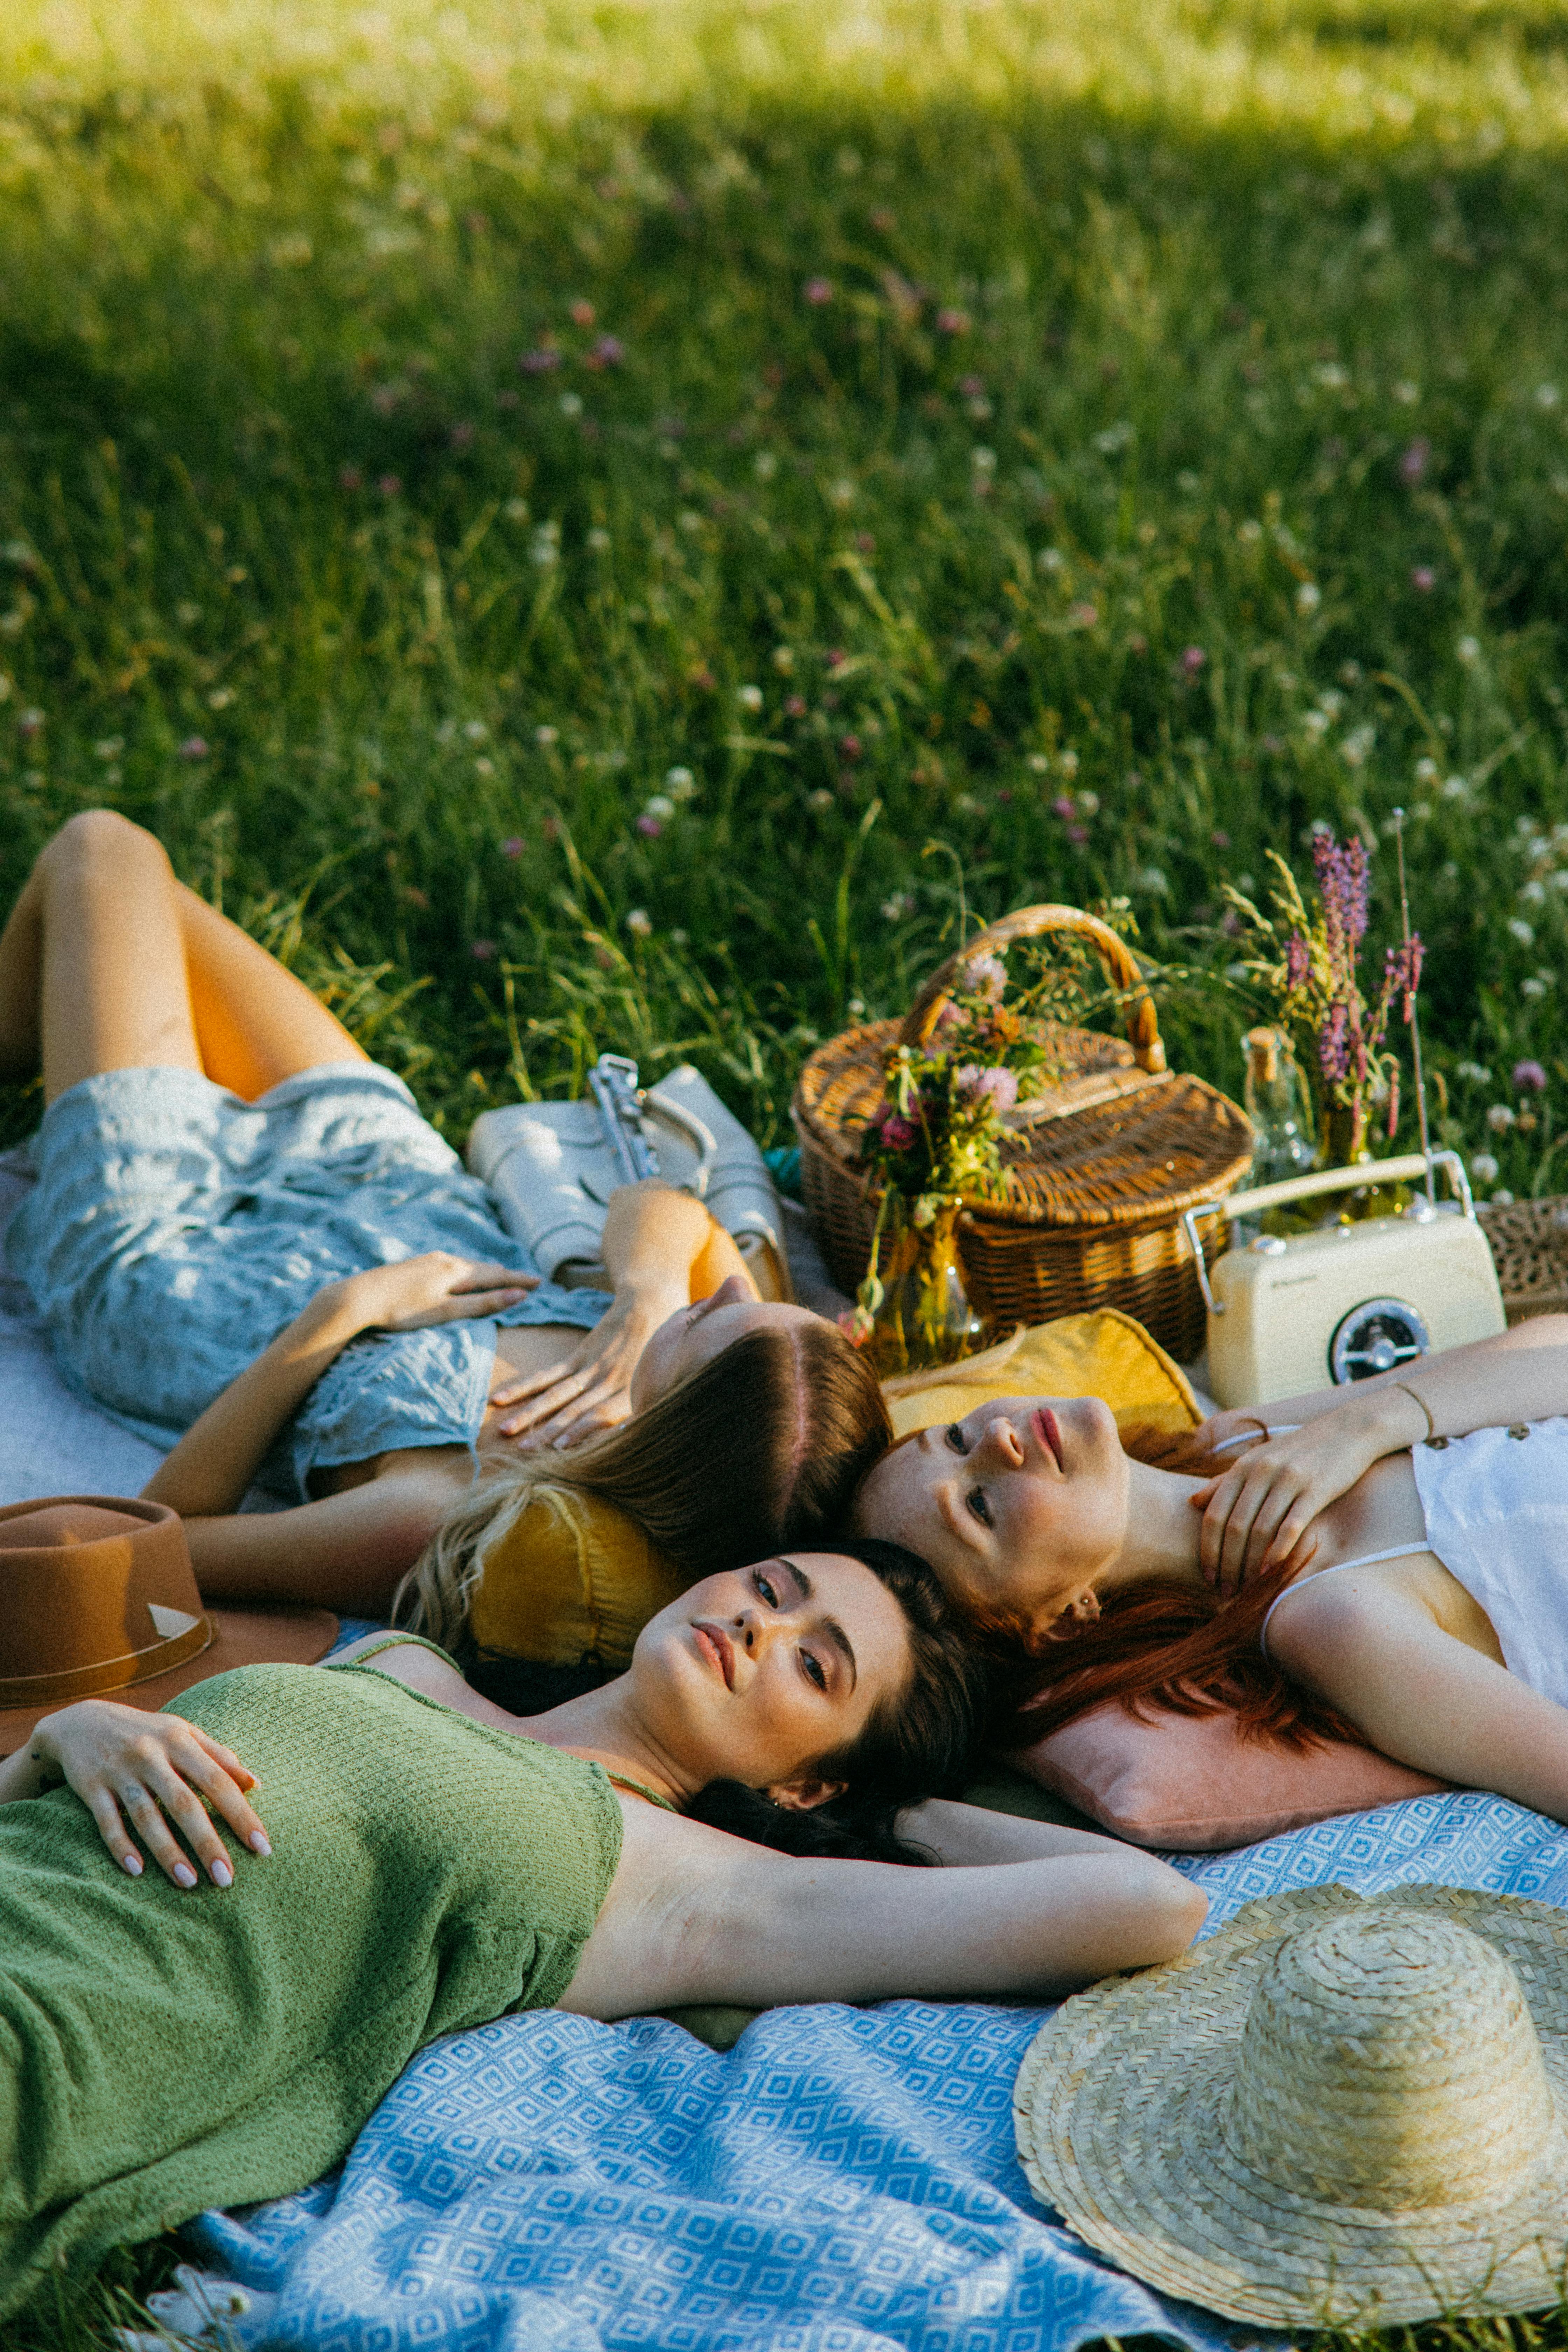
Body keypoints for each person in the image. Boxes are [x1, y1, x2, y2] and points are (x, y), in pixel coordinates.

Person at [0, 1538, 1204, 2318]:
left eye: (817, 1668)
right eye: (773, 1587)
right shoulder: (404, 1661)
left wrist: (908, 1812)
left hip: (65, 2023)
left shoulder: (679, 1881)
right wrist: (70, 1733)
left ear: (808, 1785)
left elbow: (1149, 1904)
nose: (760, 1625)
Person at [0, 813, 889, 1611]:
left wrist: (342, 1314)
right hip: (375, 1169)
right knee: (134, 882)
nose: (729, 1289)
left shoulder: (441, 1511)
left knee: (102, 851)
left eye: (711, 1322)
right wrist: (648, 1297)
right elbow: (667, 1210)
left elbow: (164, 1543)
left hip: (181, 1262)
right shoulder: (666, 1354)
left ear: (679, 1435)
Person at [848, 1314, 1568, 1820]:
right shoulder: (1326, 1621)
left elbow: (1551, 1338)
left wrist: (1375, 1419)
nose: (995, 1439)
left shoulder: (1236, 1438)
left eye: (950, 1436)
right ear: (1062, 1617)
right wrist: (1380, 1418)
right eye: (979, 1507)